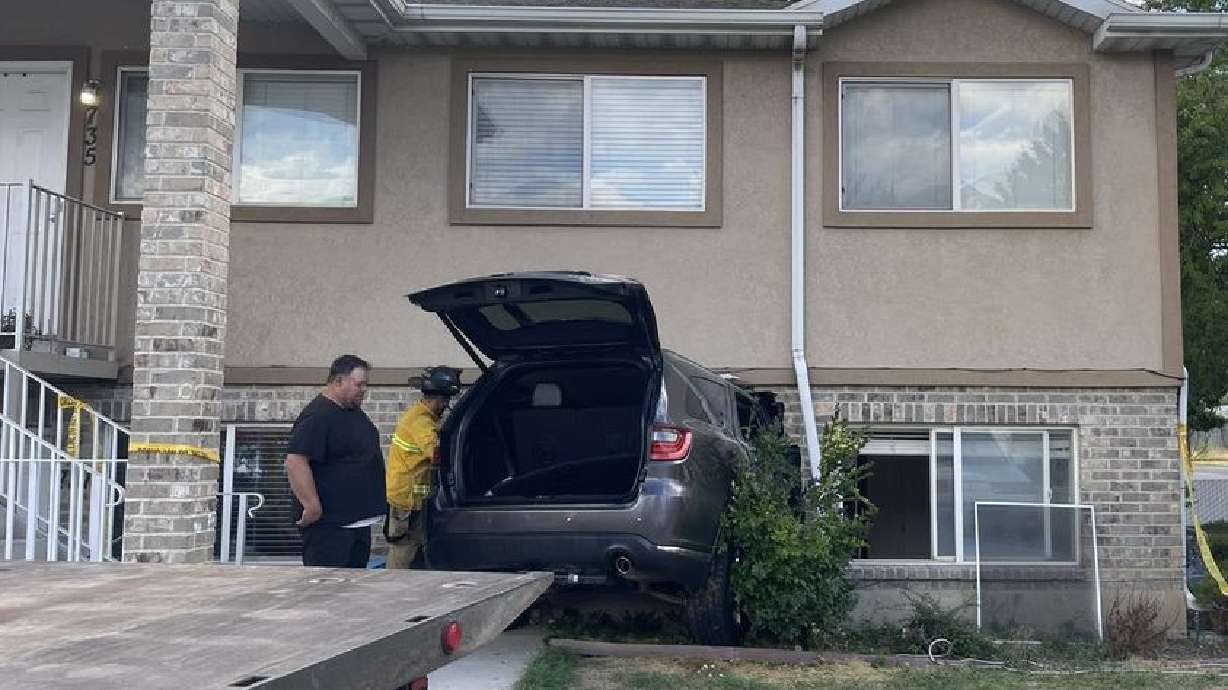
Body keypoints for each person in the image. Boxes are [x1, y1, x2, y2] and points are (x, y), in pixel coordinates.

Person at [285, 355, 386, 568]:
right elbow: (296, 461)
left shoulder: (351, 411)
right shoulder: (318, 416)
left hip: (357, 523)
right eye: (359, 384)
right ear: (338, 382)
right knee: (326, 591)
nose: (364, 389)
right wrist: (311, 506)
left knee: (350, 593)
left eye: (366, 384)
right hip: (331, 528)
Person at [385, 366, 460, 569]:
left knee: (418, 550)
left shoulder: (426, 418)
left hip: (415, 499)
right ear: (438, 399)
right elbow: (437, 454)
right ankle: (391, 590)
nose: (446, 404)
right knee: (403, 552)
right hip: (408, 502)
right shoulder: (421, 422)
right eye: (445, 400)